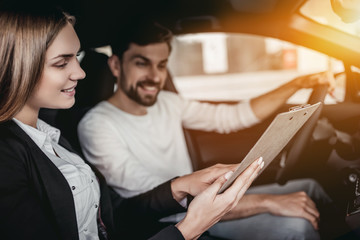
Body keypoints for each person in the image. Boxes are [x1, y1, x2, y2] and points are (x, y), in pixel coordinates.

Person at [0, 5, 264, 240]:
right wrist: (190, 228)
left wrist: (181, 185)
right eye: (61, 63)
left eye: (76, 58)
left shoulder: (52, 140)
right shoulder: (8, 156)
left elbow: (114, 217)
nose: (80, 72)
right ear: (20, 66)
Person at [78, 20, 337, 239]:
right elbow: (154, 195)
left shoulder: (169, 103)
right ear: (115, 66)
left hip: (207, 199)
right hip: (177, 219)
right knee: (297, 225)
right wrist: (267, 201)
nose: (155, 77)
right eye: (141, 63)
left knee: (310, 187)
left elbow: (231, 117)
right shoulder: (97, 125)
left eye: (161, 65)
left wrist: (297, 83)